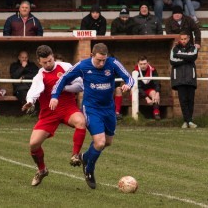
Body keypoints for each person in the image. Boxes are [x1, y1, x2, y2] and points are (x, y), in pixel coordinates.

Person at [50, 43, 134, 189]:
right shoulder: (83, 66)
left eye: (104, 60)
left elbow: (129, 77)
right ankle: (89, 169)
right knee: (100, 142)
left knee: (107, 142)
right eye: (98, 60)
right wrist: (55, 96)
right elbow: (63, 79)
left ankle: (84, 157)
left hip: (108, 109)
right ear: (91, 56)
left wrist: (128, 85)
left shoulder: (113, 63)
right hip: (91, 108)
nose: (102, 63)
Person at [21, 45, 87, 186]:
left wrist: (63, 87)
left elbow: (81, 85)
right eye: (45, 62)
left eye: (50, 60)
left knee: (81, 122)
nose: (48, 64)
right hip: (48, 114)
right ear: (39, 62)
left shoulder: (65, 67)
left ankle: (75, 155)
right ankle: (42, 170)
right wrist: (29, 102)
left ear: (53, 57)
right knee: (33, 144)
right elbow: (34, 92)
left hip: (67, 108)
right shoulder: (39, 76)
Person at [170, 32, 198, 128]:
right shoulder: (174, 48)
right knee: (183, 100)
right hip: (179, 78)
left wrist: (180, 55)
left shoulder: (193, 48)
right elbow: (172, 60)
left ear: (189, 38)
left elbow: (193, 56)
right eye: (181, 39)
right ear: (179, 39)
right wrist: (187, 58)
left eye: (185, 39)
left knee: (190, 100)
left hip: (191, 77)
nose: (183, 41)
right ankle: (188, 121)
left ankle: (187, 121)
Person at [134, 56, 161, 120]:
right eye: (141, 64)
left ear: (148, 63)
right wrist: (146, 98)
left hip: (149, 90)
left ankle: (156, 113)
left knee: (154, 93)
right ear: (138, 64)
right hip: (138, 91)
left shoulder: (153, 70)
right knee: (133, 91)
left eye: (144, 64)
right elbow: (138, 87)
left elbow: (157, 82)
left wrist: (157, 92)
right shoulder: (135, 71)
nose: (143, 66)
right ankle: (135, 116)